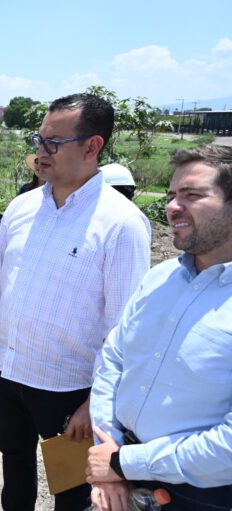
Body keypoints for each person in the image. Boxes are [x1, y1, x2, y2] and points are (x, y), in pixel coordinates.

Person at [0, 93, 152, 511]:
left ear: (92, 147)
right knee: (13, 461)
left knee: (70, 489)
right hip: (8, 370)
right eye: (38, 139)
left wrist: (95, 405)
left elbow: (124, 331)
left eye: (53, 142)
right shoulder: (23, 206)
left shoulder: (121, 224)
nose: (40, 152)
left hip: (68, 390)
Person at [86, 145, 232, 511]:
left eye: (192, 195)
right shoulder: (160, 277)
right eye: (171, 195)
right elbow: (114, 358)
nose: (172, 206)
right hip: (119, 464)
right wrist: (109, 449)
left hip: (198, 494)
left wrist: (122, 463)